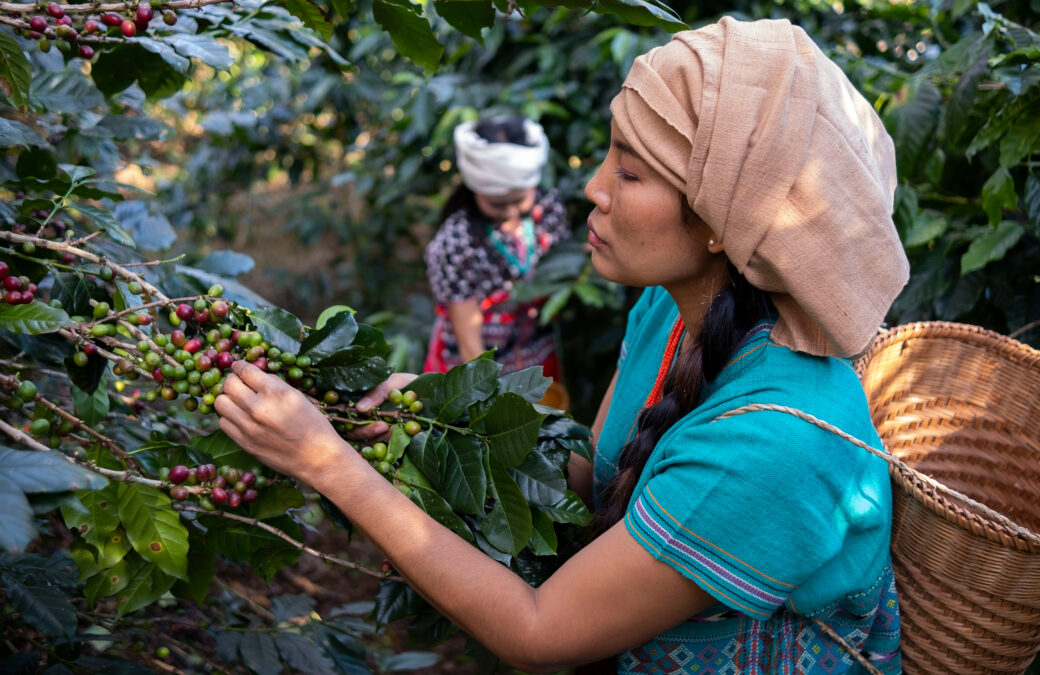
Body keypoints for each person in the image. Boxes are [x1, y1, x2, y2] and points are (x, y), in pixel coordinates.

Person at [215, 16, 909, 674]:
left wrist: (328, 463)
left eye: (631, 173)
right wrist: (436, 413)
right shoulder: (667, 313)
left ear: (722, 222)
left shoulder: (773, 449)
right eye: (609, 154)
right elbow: (588, 474)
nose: (592, 188)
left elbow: (538, 630)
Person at [423, 116, 571, 404]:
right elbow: (471, 346)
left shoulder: (548, 208)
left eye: (519, 200)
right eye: (498, 204)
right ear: (474, 188)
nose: (511, 212)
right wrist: (489, 402)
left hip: (535, 352)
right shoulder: (456, 243)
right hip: (482, 366)